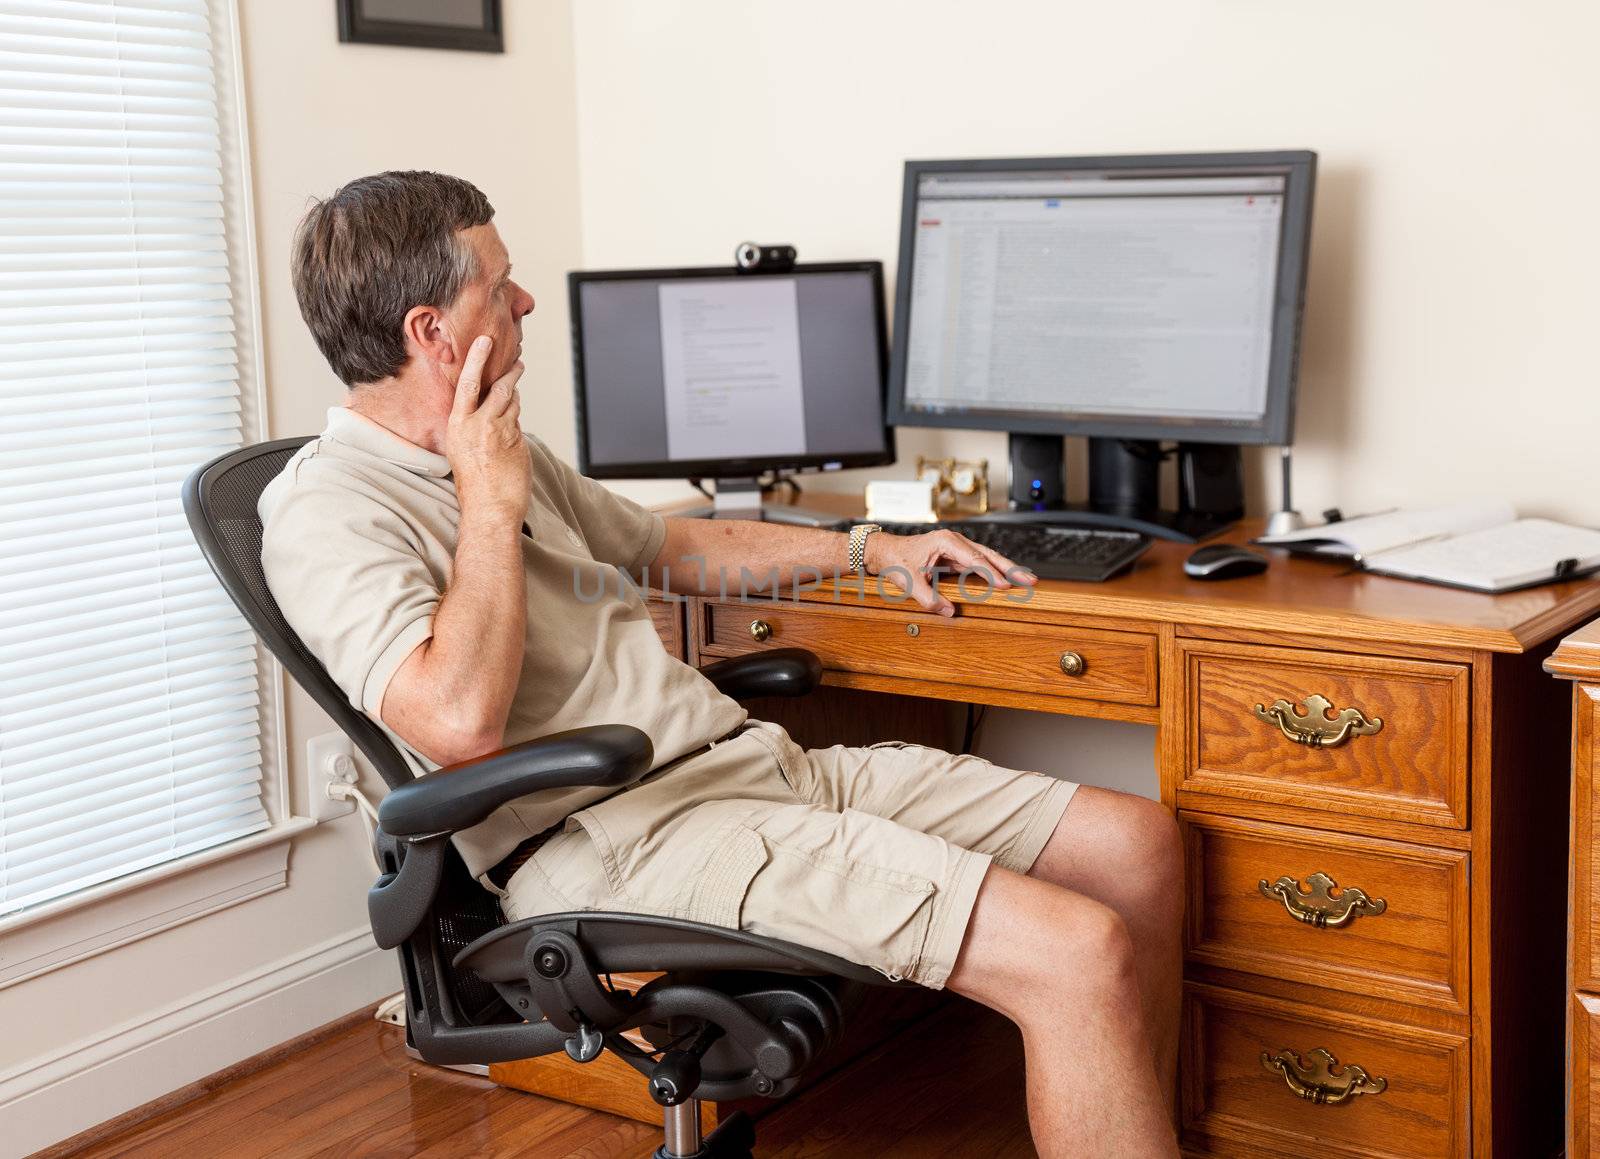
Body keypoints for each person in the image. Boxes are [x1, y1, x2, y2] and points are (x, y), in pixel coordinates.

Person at [260, 170, 1183, 1156]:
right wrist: (487, 499)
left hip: (749, 773)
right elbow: (456, 723)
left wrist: (873, 549)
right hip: (619, 837)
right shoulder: (330, 513)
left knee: (1137, 846)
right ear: (434, 332)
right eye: (501, 283)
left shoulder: (491, 448)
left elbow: (677, 550)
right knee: (1073, 951)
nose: (525, 301)